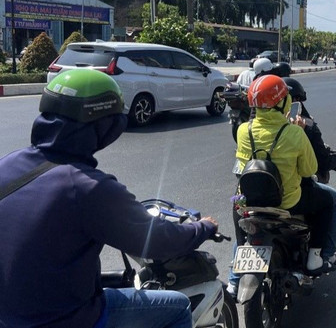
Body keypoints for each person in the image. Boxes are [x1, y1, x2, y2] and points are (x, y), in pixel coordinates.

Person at [0, 69, 219, 328]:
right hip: (64, 318)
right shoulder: (87, 187)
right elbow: (156, 240)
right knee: (177, 307)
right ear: (102, 124)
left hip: (9, 315)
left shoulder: (8, 164)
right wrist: (202, 227)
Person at [235, 76, 336, 278]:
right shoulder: (294, 132)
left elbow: (241, 165)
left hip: (251, 200)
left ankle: (234, 276)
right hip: (288, 201)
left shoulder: (243, 130)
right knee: (331, 202)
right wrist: (299, 133)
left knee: (242, 220)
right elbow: (308, 170)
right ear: (283, 102)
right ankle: (316, 257)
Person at [282, 77, 336, 184]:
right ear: (293, 101)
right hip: (294, 188)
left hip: (263, 187)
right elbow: (322, 163)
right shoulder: (305, 126)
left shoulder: (249, 127)